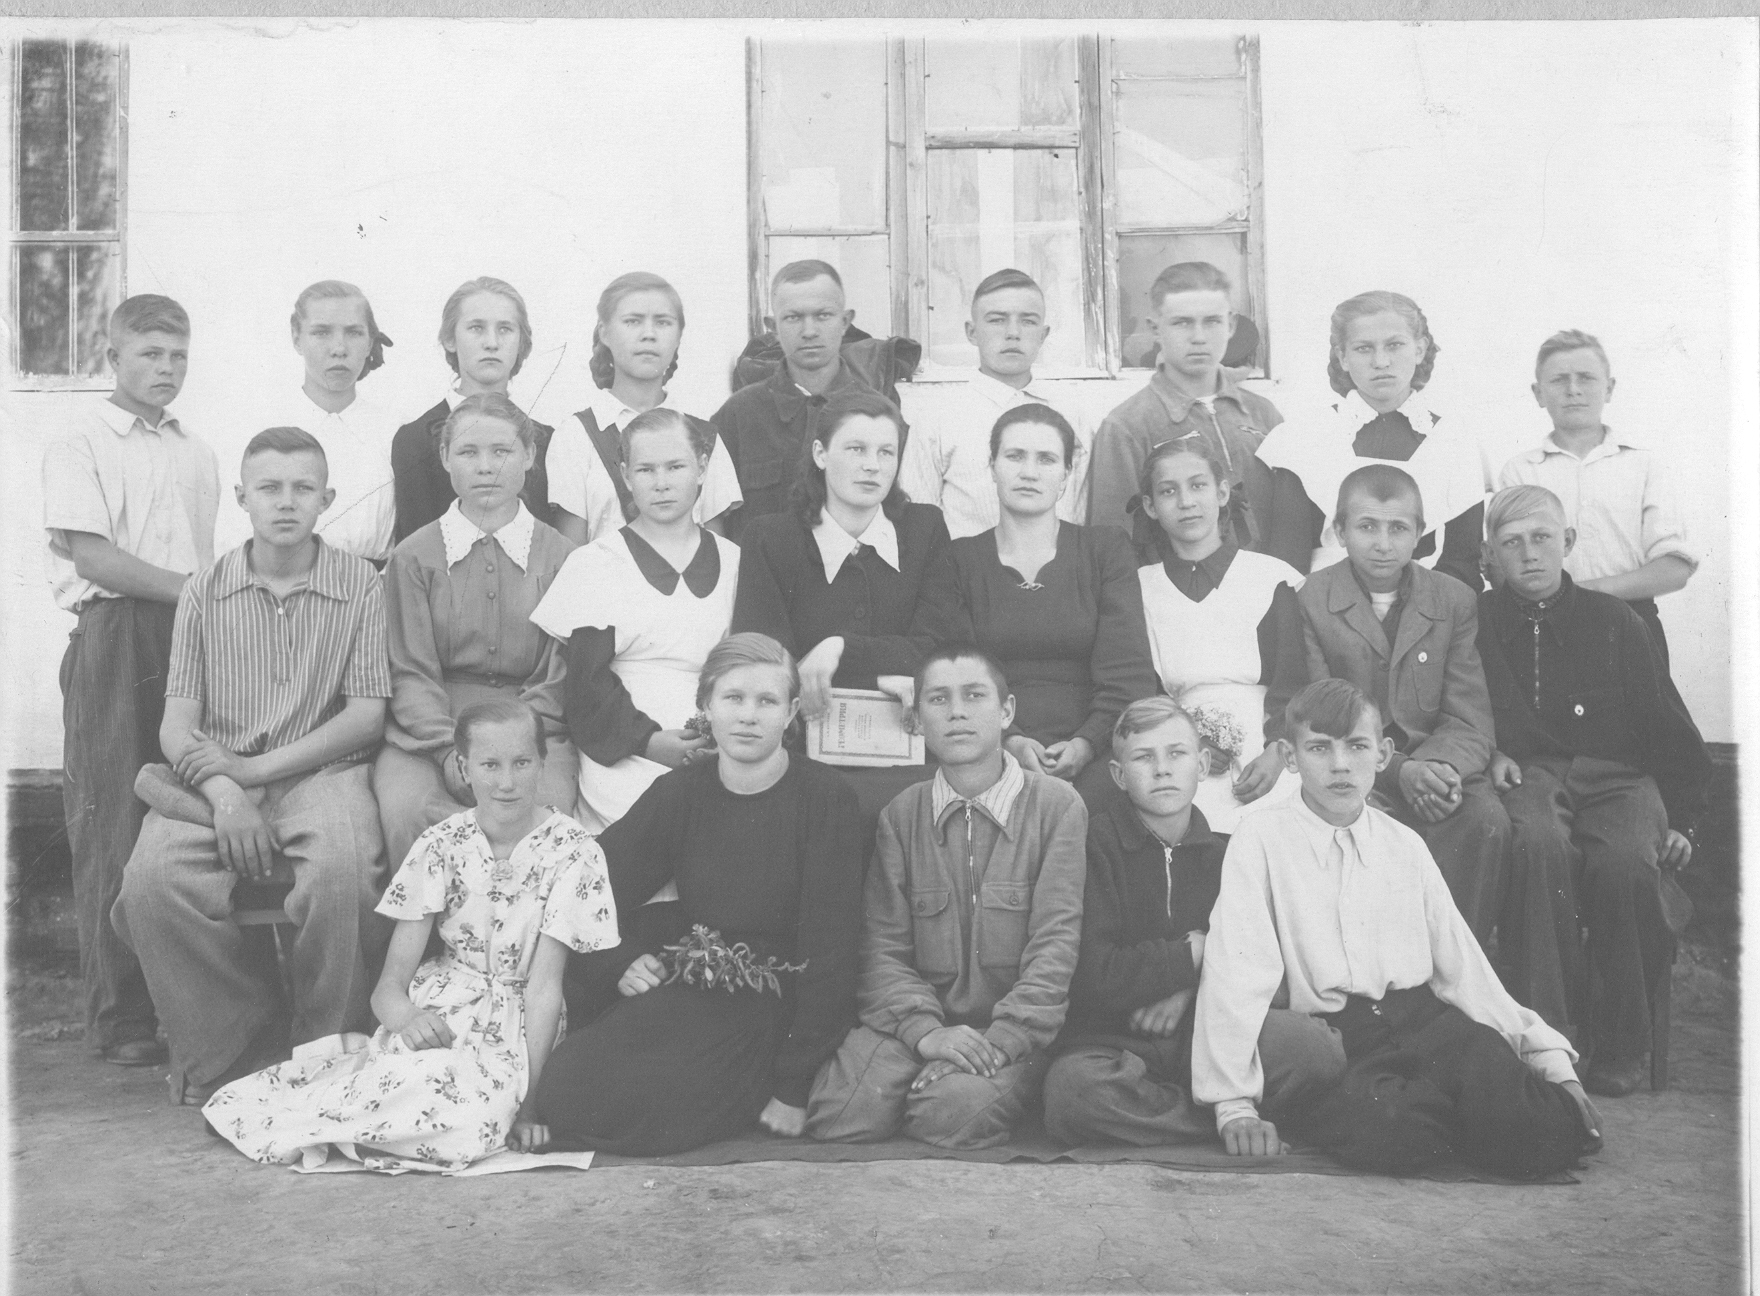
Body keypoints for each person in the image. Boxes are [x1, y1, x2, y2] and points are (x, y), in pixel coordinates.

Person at [1192, 679, 1602, 1179]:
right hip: (1346, 1037)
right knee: (1395, 1133)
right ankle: (1444, 1117)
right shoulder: (1261, 838)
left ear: (1384, 754)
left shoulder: (1404, 844)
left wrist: (1554, 1064)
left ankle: (1471, 1112)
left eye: (1357, 746)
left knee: (1543, 1131)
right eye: (1319, 748)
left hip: (1427, 1022)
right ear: (1290, 757)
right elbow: (1236, 972)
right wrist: (1233, 1104)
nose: (1340, 765)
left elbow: (1464, 969)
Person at [201, 698, 619, 1172]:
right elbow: (388, 989)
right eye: (490, 765)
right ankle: (326, 1121)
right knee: (419, 1080)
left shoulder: (573, 851)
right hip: (444, 1007)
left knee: (475, 1121)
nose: (507, 782)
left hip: (519, 1028)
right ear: (463, 767)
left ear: (542, 762)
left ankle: (368, 1134)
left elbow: (544, 990)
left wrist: (531, 1107)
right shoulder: (441, 844)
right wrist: (408, 1019)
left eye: (522, 763)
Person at [111, 427, 390, 1107]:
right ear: (241, 497)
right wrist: (227, 792)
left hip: (320, 770)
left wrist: (256, 771)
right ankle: (230, 1042)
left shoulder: (360, 584)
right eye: (269, 488)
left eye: (302, 488)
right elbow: (176, 725)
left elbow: (364, 717)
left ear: (327, 499)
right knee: (151, 882)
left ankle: (328, 1043)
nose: (286, 502)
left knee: (345, 868)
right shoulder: (205, 590)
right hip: (215, 780)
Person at [535, 634, 866, 1156]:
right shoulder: (683, 792)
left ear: (791, 713)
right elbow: (591, 887)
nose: (748, 715)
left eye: (767, 701)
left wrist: (793, 1088)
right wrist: (618, 960)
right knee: (566, 1090)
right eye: (733, 698)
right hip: (697, 981)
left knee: (651, 1111)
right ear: (706, 706)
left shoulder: (827, 801)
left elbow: (832, 954)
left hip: (777, 1006)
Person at [1478, 484, 1709, 1097]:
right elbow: (1465, 703)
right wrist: (1492, 750)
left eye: (1542, 538)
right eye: (1512, 543)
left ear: (1569, 542)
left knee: (1626, 862)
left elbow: (1668, 727)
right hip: (1531, 773)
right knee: (1536, 845)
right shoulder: (1480, 622)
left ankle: (1621, 1042)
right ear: (1491, 554)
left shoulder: (1615, 621)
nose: (1529, 554)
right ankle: (1545, 1035)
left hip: (1619, 777)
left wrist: (1683, 820)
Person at [807, 647, 1085, 1148]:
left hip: (1007, 1030)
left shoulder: (1056, 807)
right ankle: (915, 1080)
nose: (956, 712)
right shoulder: (901, 814)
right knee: (842, 1113)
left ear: (1006, 711)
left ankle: (961, 1088)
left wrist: (1004, 1040)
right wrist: (926, 1034)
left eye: (974, 696)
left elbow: (1056, 945)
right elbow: (882, 948)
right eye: (938, 699)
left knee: (949, 1113)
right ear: (916, 720)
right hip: (918, 1020)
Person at [43, 293, 220, 1069]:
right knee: (113, 817)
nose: (166, 368)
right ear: (113, 357)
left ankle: (190, 1011)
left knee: (185, 810)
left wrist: (205, 607)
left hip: (187, 636)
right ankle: (121, 1020)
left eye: (178, 355)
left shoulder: (197, 451)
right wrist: (194, 591)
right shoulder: (80, 440)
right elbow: (93, 557)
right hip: (115, 635)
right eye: (150, 354)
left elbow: (201, 559)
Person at [1042, 699, 1345, 1147]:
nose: (1162, 769)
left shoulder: (1229, 853)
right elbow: (1095, 974)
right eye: (1144, 757)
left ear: (1201, 765)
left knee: (1317, 1050)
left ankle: (1189, 1111)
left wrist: (1190, 982)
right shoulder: (1094, 847)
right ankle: (1221, 1119)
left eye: (1176, 754)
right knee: (1074, 1093)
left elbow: (1268, 967)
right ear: (1119, 775)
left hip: (1212, 1032)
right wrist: (1193, 952)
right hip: (1117, 1043)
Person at [1288, 464, 1508, 943]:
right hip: (1353, 770)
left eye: (1398, 529)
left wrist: (1437, 772)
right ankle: (1378, 967)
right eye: (1367, 527)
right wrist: (1398, 772)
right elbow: (1320, 715)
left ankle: (1455, 961)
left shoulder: (1454, 600)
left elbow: (1469, 717)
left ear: (1420, 534)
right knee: (1358, 826)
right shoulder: (1312, 599)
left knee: (1484, 820)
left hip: (1438, 765)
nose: (1383, 544)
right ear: (1340, 531)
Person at [375, 393, 580, 871]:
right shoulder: (412, 556)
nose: (485, 466)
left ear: (529, 456)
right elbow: (408, 671)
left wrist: (508, 746)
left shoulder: (563, 558)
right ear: (445, 458)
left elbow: (560, 674)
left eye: (501, 451)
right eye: (468, 452)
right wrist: (452, 751)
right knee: (410, 811)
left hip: (534, 730)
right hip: (429, 735)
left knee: (541, 817)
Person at [731, 389, 957, 816]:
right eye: (856, 449)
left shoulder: (924, 529)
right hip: (802, 755)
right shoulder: (771, 539)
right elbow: (761, 665)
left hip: (911, 755)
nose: (873, 465)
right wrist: (884, 671)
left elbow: (941, 648)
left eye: (886, 452)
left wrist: (839, 649)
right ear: (820, 454)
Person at [934, 404, 1159, 809]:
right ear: (992, 466)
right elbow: (958, 672)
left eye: (1046, 459)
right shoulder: (959, 560)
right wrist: (1011, 741)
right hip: (987, 745)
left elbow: (1128, 674)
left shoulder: (1104, 551)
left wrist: (1086, 744)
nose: (1029, 472)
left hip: (1097, 746)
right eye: (1015, 456)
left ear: (1067, 474)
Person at [531, 407, 741, 835]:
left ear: (702, 468)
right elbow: (586, 683)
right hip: (625, 749)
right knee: (644, 833)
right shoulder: (597, 562)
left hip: (720, 744)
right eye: (646, 470)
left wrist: (719, 737)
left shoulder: (736, 561)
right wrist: (649, 742)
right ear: (626, 476)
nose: (661, 483)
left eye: (676, 467)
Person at [1256, 290, 1488, 591]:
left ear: (1419, 349)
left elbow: (1462, 561)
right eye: (1364, 348)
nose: (1381, 361)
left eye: (1395, 345)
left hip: (1429, 605)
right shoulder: (1302, 438)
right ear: (1343, 357)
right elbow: (1287, 563)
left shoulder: (1454, 440)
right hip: (1323, 604)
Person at [1133, 435, 1305, 833]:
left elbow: (1294, 680)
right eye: (1168, 491)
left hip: (1269, 742)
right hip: (1177, 744)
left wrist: (1277, 752)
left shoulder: (1270, 578)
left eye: (1198, 486)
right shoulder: (1140, 588)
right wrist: (1187, 740)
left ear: (1223, 492)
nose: (1186, 502)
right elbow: (1144, 688)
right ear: (1150, 506)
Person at [1497, 330, 1696, 671]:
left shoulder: (1644, 465)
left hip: (1633, 622)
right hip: (1546, 626)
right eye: (1559, 379)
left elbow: (1674, 569)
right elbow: (1505, 569)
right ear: (1538, 393)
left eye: (1586, 378)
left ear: (1610, 388)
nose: (1573, 389)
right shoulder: (1520, 471)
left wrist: (1583, 593)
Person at [1086, 262, 1280, 548]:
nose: (1198, 337)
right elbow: (1113, 544)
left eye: (1212, 321)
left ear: (1231, 325)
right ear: (1155, 329)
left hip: (1268, 575)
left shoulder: (1264, 415)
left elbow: (1296, 525)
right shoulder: (1126, 427)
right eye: (1182, 323)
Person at [546, 271, 742, 545]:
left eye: (662, 322)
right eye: (633, 321)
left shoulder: (705, 437)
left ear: (678, 336)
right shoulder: (575, 437)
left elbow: (717, 552)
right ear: (604, 332)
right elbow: (571, 553)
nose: (649, 334)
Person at [899, 267, 1091, 537]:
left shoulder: (1071, 414)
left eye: (1028, 321)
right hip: (963, 563)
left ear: (1043, 334)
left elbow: (1078, 517)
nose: (1013, 333)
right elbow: (919, 525)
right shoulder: (938, 417)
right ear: (972, 332)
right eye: (997, 320)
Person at [217, 280, 398, 563]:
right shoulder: (256, 429)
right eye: (321, 332)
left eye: (353, 333)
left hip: (373, 587)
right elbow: (230, 542)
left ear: (369, 342)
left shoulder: (396, 432)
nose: (339, 349)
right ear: (296, 338)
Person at [712, 260, 884, 536]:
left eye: (823, 315)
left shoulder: (879, 414)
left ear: (845, 322)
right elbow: (714, 522)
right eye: (793, 317)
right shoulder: (737, 415)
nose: (809, 331)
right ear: (773, 327)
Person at [391, 276, 554, 541]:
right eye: (476, 328)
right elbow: (415, 547)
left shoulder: (546, 440)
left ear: (521, 342)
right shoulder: (415, 439)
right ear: (450, 339)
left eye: (505, 329)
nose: (492, 342)